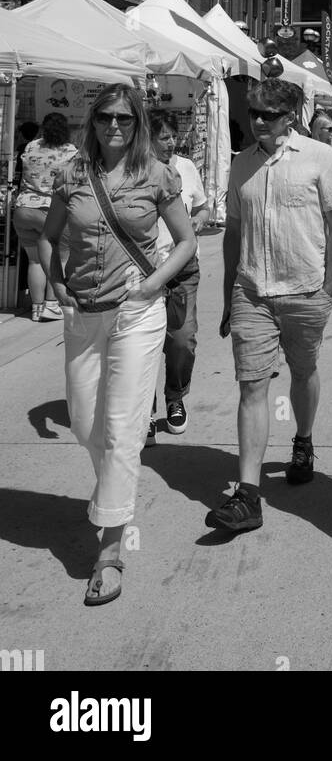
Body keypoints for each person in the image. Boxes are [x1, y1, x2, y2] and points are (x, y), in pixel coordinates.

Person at [38, 85, 196, 606]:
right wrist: (56, 280)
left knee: (124, 427)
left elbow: (187, 241)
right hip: (82, 311)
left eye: (125, 119)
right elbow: (48, 235)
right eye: (105, 117)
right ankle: (110, 491)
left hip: (136, 311)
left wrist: (154, 284)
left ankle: (109, 548)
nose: (114, 127)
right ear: (93, 121)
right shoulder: (70, 173)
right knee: (85, 422)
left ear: (138, 124)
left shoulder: (157, 173)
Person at [206, 79, 332, 534]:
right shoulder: (241, 164)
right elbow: (233, 230)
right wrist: (230, 291)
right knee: (251, 385)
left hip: (304, 289)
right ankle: (247, 495)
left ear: (290, 116)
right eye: (254, 113)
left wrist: (328, 287)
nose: (258, 121)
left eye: (268, 114)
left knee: (303, 372)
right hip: (251, 290)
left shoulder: (319, 157)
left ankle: (303, 441)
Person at [145, 110, 209, 444]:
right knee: (144, 344)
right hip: (142, 271)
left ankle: (175, 397)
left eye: (173, 137)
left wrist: (197, 220)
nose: (171, 143)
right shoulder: (134, 171)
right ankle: (144, 409)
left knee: (182, 340)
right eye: (163, 138)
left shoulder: (185, 167)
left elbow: (202, 206)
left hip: (182, 269)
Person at [13, 114, 79, 321]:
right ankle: (52, 305)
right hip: (51, 211)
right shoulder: (70, 151)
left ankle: (36, 308)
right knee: (57, 259)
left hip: (23, 209)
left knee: (34, 261)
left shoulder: (31, 147)